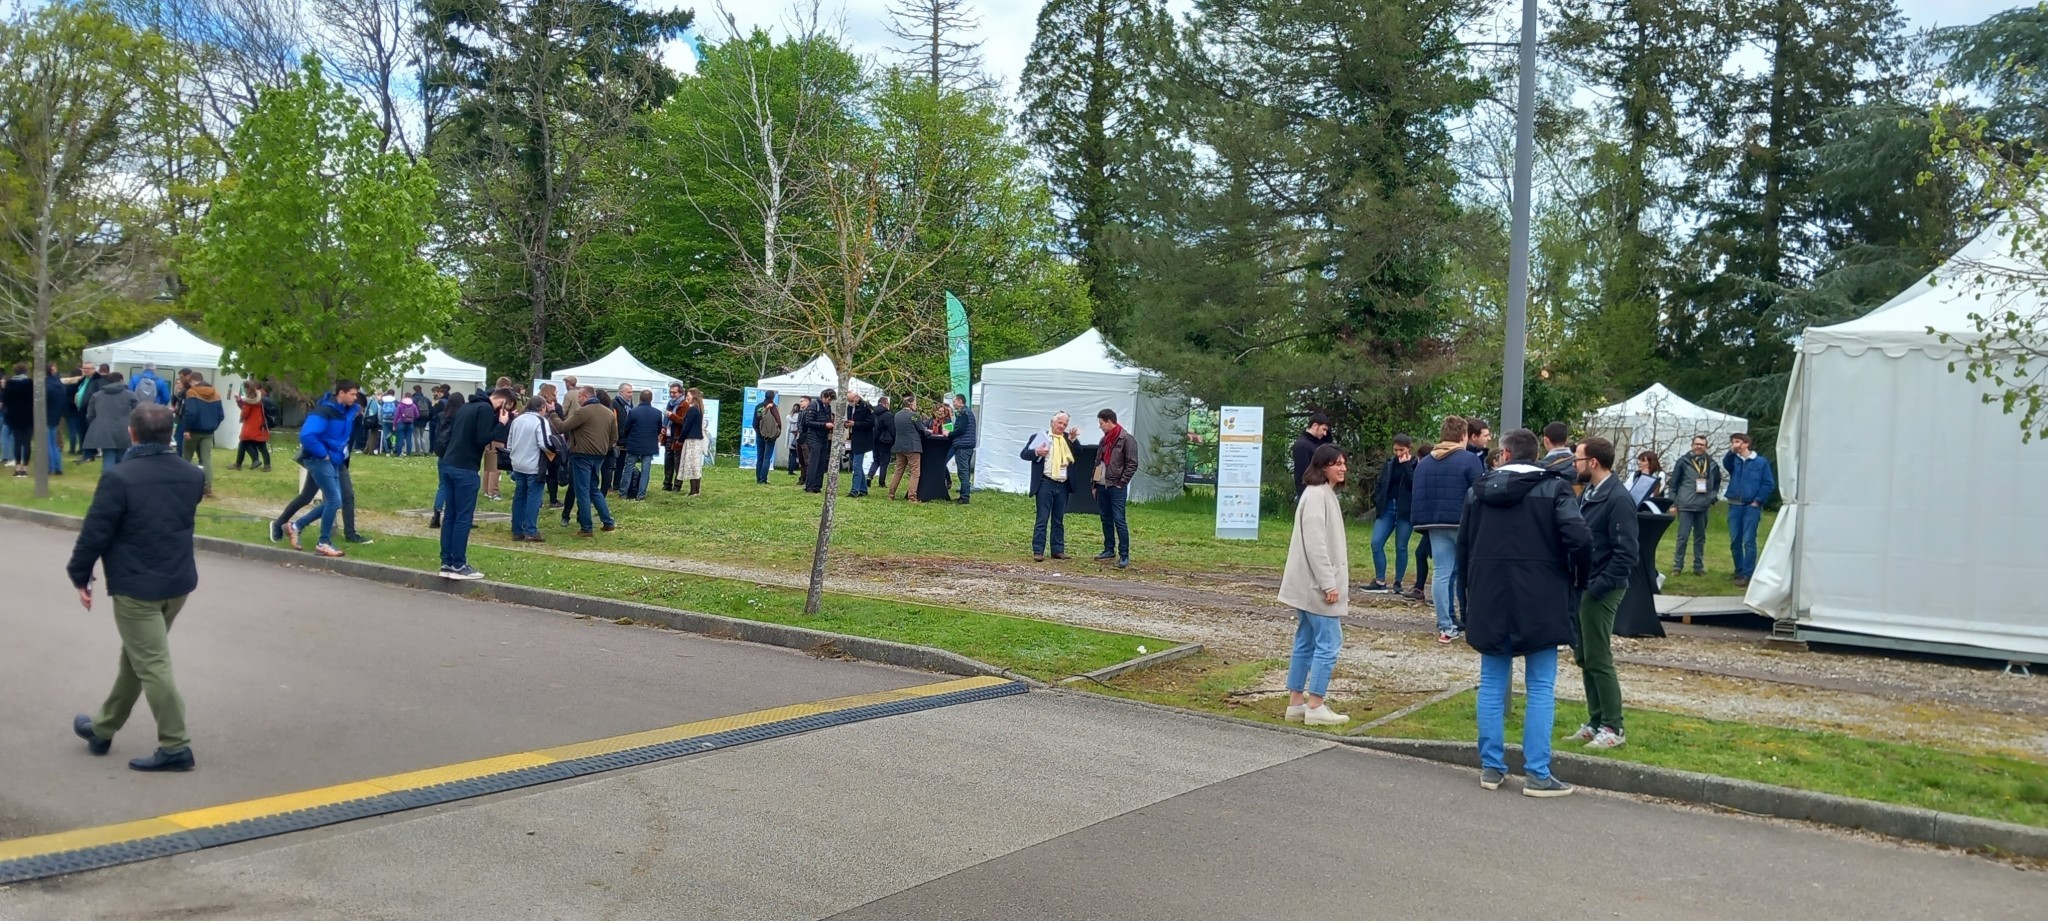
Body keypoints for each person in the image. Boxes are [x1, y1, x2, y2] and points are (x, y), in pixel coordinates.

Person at [67, 404, 205, 772]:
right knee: (138, 658)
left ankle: (176, 745)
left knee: (152, 662)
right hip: (177, 583)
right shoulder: (192, 475)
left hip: (137, 586)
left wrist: (80, 575)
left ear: (132, 434)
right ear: (171, 434)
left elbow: (95, 532)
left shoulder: (120, 477)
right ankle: (102, 728)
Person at [1456, 427, 1592, 798]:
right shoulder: (1554, 488)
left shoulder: (1477, 492)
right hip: (1542, 594)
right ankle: (1537, 772)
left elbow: (1463, 549)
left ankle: (1491, 766)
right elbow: (1579, 537)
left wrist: (1467, 597)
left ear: (1503, 454)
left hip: (1489, 593)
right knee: (1541, 686)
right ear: (1535, 454)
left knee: (1493, 682)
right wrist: (1576, 576)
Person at [1569, 436, 1638, 751]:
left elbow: (1626, 554)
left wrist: (1597, 587)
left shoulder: (1617, 498)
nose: (1575, 463)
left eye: (1578, 459)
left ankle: (1613, 726)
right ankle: (1595, 720)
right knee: (1584, 656)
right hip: (1585, 583)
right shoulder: (1591, 494)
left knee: (1598, 657)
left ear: (1593, 463)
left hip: (1602, 588)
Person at [1281, 443, 1352, 727]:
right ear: (1324, 467)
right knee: (1329, 643)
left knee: (1306, 640)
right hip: (1316, 587)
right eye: (1337, 463)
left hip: (1311, 586)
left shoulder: (1322, 494)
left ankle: (1296, 703)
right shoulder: (1316, 496)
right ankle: (1316, 704)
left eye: (1344, 463)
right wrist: (1328, 583)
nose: (1343, 468)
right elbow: (1316, 544)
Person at [1411, 416, 1484, 643]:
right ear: (1463, 435)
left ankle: (1445, 625)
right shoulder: (1469, 459)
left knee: (1442, 573)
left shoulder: (1425, 463)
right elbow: (1479, 490)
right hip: (1463, 522)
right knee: (1471, 572)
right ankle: (1474, 621)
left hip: (1434, 523)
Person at [282, 381, 363, 558]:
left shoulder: (346, 412)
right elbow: (307, 435)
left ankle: (295, 526)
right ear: (341, 393)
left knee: (335, 501)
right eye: (352, 394)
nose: (355, 397)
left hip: (333, 459)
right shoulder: (324, 411)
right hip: (320, 459)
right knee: (334, 500)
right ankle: (323, 543)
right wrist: (322, 454)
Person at [439, 386, 512, 579]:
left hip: (449, 463)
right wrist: (502, 424)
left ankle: (446, 562)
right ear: (502, 402)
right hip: (466, 468)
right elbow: (482, 438)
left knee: (450, 516)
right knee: (463, 517)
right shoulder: (486, 409)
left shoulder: (466, 406)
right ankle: (458, 564)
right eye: (506, 408)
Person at [560, 385, 619, 536]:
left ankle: (586, 527)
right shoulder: (608, 412)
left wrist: (553, 413)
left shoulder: (583, 412)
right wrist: (603, 448)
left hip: (582, 455)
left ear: (585, 396)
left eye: (579, 396)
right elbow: (614, 437)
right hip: (599, 455)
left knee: (582, 491)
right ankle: (608, 522)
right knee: (594, 489)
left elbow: (562, 427)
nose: (578, 399)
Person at [1024, 412, 1082, 561]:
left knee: (1058, 519)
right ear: (1052, 422)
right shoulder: (1041, 437)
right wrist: (1037, 452)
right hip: (1045, 482)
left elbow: (1079, 453)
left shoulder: (1067, 439)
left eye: (1064, 424)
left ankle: (1058, 550)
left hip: (1062, 484)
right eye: (1059, 423)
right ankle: (1038, 550)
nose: (1062, 426)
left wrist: (1074, 440)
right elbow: (1024, 454)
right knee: (1042, 518)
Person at [1365, 434, 1417, 593]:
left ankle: (1398, 582)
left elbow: (1414, 484)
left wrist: (1407, 465)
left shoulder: (1415, 464)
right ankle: (1380, 580)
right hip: (1387, 508)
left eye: (1402, 450)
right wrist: (1378, 499)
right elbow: (1380, 483)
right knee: (1376, 542)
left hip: (1405, 511)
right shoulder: (1389, 464)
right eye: (1396, 450)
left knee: (1401, 546)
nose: (1398, 453)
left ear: (1409, 448)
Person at [1722, 433, 1775, 587]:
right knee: (1735, 540)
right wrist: (1732, 451)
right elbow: (1726, 463)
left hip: (1751, 506)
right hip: (1734, 505)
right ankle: (1738, 571)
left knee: (1749, 540)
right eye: (1732, 441)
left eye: (1737, 441)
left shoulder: (1760, 462)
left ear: (1746, 444)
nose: (1734, 444)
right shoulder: (1734, 460)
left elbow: (1768, 483)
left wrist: (1758, 501)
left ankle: (1748, 574)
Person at [1666, 434, 1722, 575]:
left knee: (1700, 538)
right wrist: (1673, 503)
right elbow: (1673, 484)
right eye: (1696, 444)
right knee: (1683, 537)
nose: (1699, 447)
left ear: (1706, 447)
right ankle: (1677, 566)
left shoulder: (1712, 464)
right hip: (1685, 505)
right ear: (1692, 445)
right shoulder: (1683, 462)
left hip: (1703, 506)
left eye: (1702, 445)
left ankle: (1698, 567)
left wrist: (1711, 498)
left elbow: (1716, 484)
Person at [1093, 408, 1139, 569]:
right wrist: (1094, 483)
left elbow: (1132, 463)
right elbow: (1098, 462)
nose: (1100, 426)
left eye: (1101, 423)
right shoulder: (1104, 440)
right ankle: (1108, 549)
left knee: (1119, 519)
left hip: (1116, 486)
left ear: (1109, 421)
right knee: (1105, 518)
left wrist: (1122, 482)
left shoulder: (1126, 439)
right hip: (1102, 484)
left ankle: (1124, 554)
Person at [507, 396, 552, 543]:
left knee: (519, 496)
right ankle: (531, 530)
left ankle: (517, 529)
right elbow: (545, 443)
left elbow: (509, 444)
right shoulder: (541, 421)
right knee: (534, 497)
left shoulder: (517, 420)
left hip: (518, 463)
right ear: (541, 408)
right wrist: (556, 449)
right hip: (534, 465)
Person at [176, 377, 225, 497]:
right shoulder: (216, 394)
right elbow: (221, 415)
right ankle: (208, 488)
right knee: (206, 459)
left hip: (193, 431)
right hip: (208, 432)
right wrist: (213, 427)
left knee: (186, 457)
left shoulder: (191, 392)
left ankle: (184, 485)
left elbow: (191, 412)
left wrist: (187, 428)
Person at [84, 373, 139, 473]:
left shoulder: (97, 395)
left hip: (104, 430)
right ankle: (122, 481)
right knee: (123, 458)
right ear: (121, 381)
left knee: (108, 457)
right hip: (125, 430)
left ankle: (107, 481)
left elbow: (90, 416)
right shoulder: (130, 395)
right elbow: (138, 413)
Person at [620, 390, 663, 500]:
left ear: (640, 398)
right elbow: (658, 429)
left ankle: (623, 493)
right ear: (651, 399)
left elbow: (626, 428)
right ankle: (641, 494)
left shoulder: (633, 412)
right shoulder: (657, 413)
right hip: (649, 445)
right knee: (646, 470)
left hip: (634, 443)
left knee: (628, 468)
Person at [1290, 412, 1334, 501]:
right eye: (1324, 429)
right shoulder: (1302, 445)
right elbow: (1303, 474)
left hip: (1317, 491)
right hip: (1309, 494)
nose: (1325, 433)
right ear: (1315, 426)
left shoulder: (1316, 443)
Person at [800, 389, 836, 493]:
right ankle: (809, 486)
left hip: (823, 436)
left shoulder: (827, 407)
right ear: (824, 396)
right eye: (829, 399)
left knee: (822, 463)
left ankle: (817, 486)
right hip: (814, 437)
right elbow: (809, 422)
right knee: (813, 462)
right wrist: (824, 425)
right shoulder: (814, 405)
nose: (829, 402)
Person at [889, 396, 924, 501]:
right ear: (911, 404)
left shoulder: (897, 415)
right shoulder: (914, 416)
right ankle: (912, 497)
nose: (916, 405)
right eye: (915, 403)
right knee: (915, 472)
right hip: (912, 446)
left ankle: (891, 494)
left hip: (899, 446)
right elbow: (921, 429)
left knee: (898, 471)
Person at [674, 388, 707, 497]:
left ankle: (694, 491)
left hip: (692, 440)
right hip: (697, 440)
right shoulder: (699, 408)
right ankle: (696, 490)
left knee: (692, 465)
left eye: (688, 395)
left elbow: (686, 426)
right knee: (695, 465)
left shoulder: (693, 409)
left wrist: (680, 439)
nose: (686, 397)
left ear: (693, 396)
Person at [232, 383, 272, 471]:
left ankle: (251, 461)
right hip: (261, 425)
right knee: (262, 446)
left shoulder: (250, 399)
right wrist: (240, 401)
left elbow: (245, 413)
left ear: (247, 389)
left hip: (251, 426)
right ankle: (267, 465)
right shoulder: (262, 397)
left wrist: (240, 403)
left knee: (243, 443)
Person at [2, 363, 33, 477]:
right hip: (29, 416)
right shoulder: (30, 383)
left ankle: (17, 468)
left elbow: (5, 400)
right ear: (25, 371)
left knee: (17, 442)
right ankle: (25, 468)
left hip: (14, 416)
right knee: (27, 442)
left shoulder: (10, 384)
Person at [846, 390, 875, 497]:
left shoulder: (866, 407)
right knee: (856, 464)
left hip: (862, 439)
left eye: (852, 400)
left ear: (857, 397)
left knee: (857, 465)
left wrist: (856, 424)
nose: (851, 402)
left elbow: (871, 423)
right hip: (853, 438)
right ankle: (863, 489)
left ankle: (855, 490)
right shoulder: (850, 407)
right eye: (849, 401)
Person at [950, 393, 978, 504]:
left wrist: (949, 434)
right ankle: (964, 494)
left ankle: (964, 497)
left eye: (955, 401)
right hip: (968, 445)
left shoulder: (963, 413)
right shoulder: (969, 413)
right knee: (965, 471)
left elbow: (960, 430)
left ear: (960, 401)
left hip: (962, 446)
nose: (954, 404)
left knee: (963, 472)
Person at [753, 391, 783, 485]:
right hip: (770, 436)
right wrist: (776, 433)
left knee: (760, 457)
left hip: (760, 435)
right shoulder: (774, 407)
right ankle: (763, 479)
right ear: (773, 397)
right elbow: (778, 422)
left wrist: (759, 433)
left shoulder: (759, 407)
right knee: (767, 458)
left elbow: (755, 423)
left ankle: (758, 479)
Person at [44, 363, 68, 475]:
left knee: (47, 443)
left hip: (46, 416)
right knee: (54, 443)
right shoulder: (60, 384)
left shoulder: (45, 385)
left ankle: (50, 467)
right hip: (57, 415)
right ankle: (58, 467)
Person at [869, 396, 895, 484]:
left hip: (874, 438)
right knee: (884, 462)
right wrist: (894, 439)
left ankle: (869, 476)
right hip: (885, 440)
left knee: (876, 460)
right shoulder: (887, 414)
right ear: (885, 404)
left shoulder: (872, 412)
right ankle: (881, 482)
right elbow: (892, 429)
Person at [393, 393, 419, 458]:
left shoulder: (400, 405)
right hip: (410, 424)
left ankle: (398, 453)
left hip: (400, 423)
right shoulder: (413, 405)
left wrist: (394, 424)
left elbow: (396, 416)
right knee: (409, 439)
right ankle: (408, 454)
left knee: (400, 439)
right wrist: (412, 418)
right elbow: (417, 415)